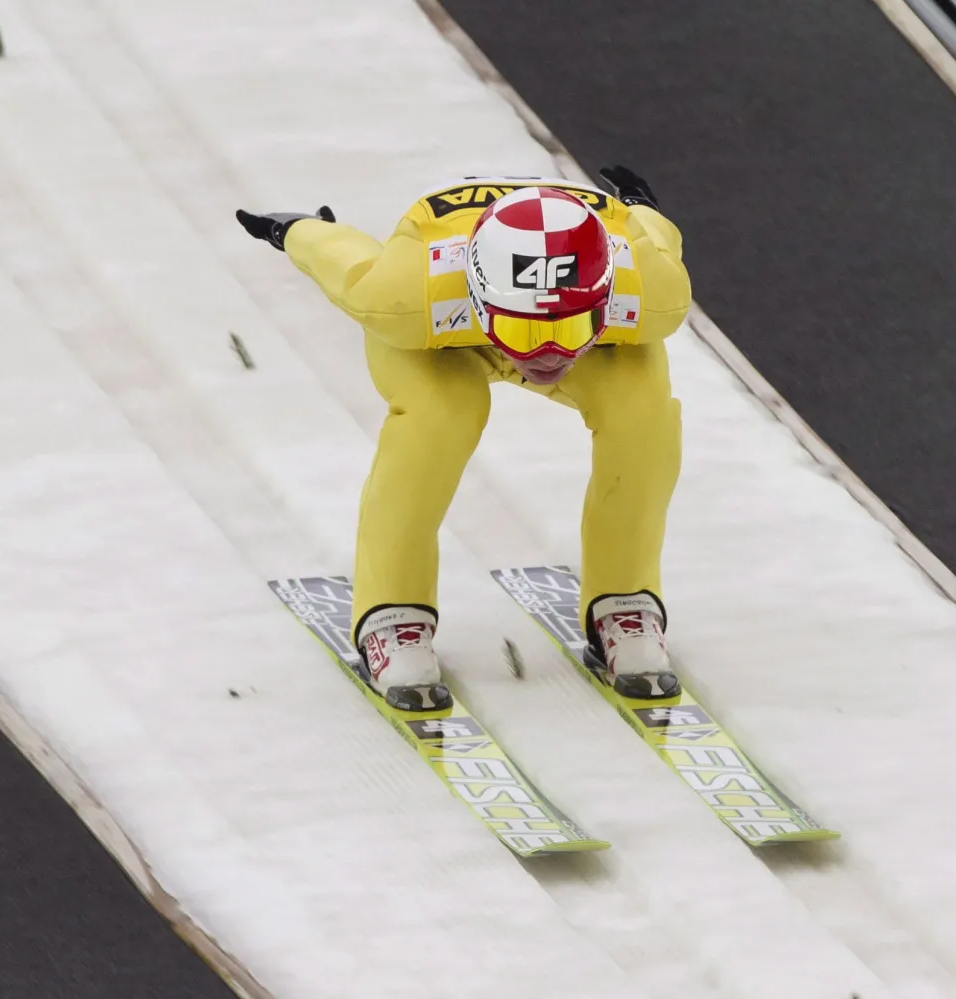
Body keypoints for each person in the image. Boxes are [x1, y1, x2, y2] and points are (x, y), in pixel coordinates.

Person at [236, 168, 691, 711]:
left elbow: (650, 236)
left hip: (533, 324)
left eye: (565, 328)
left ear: (607, 295)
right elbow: (349, 262)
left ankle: (624, 600)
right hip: (443, 337)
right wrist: (298, 230)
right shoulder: (405, 298)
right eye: (528, 332)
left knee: (643, 416)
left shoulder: (651, 292)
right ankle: (392, 613)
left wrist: (637, 207)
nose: (547, 356)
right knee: (440, 416)